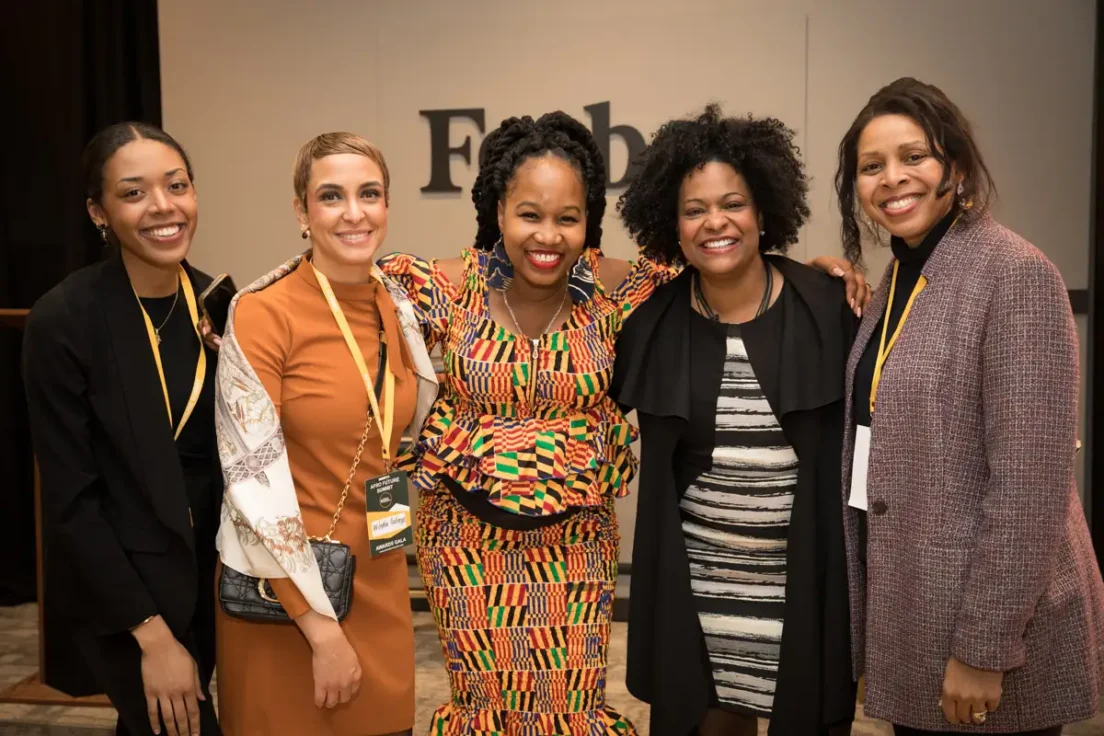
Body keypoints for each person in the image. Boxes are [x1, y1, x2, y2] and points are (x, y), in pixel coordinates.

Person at [378, 111, 674, 734]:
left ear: (589, 219)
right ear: (497, 210)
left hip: (576, 548)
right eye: (529, 214)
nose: (550, 235)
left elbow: (726, 277)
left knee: (570, 706)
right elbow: (344, 307)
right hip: (463, 545)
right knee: (483, 707)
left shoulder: (617, 290)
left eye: (568, 217)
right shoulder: (445, 288)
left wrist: (824, 274)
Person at [835, 77, 1104, 735]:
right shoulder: (897, 281)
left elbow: (1029, 489)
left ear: (954, 164)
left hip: (993, 629)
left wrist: (986, 648)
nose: (892, 178)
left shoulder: (1013, 275)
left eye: (913, 157)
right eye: (872, 167)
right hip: (922, 609)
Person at [611, 104, 857, 736]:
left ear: (764, 211)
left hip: (800, 581)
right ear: (672, 224)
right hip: (699, 586)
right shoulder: (651, 325)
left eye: (733, 203)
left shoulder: (829, 308)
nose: (715, 222)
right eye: (694, 209)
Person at [211, 132, 436, 736]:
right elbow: (248, 485)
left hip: (380, 577)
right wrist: (318, 627)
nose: (354, 213)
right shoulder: (264, 314)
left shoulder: (398, 306)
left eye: (370, 194)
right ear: (301, 212)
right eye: (331, 196)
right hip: (284, 594)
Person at [23, 122, 222, 736]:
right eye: (134, 193)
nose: (163, 206)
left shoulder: (218, 302)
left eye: (177, 185)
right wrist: (152, 638)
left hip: (210, 580)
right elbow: (71, 503)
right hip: (124, 592)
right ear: (98, 212)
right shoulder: (64, 320)